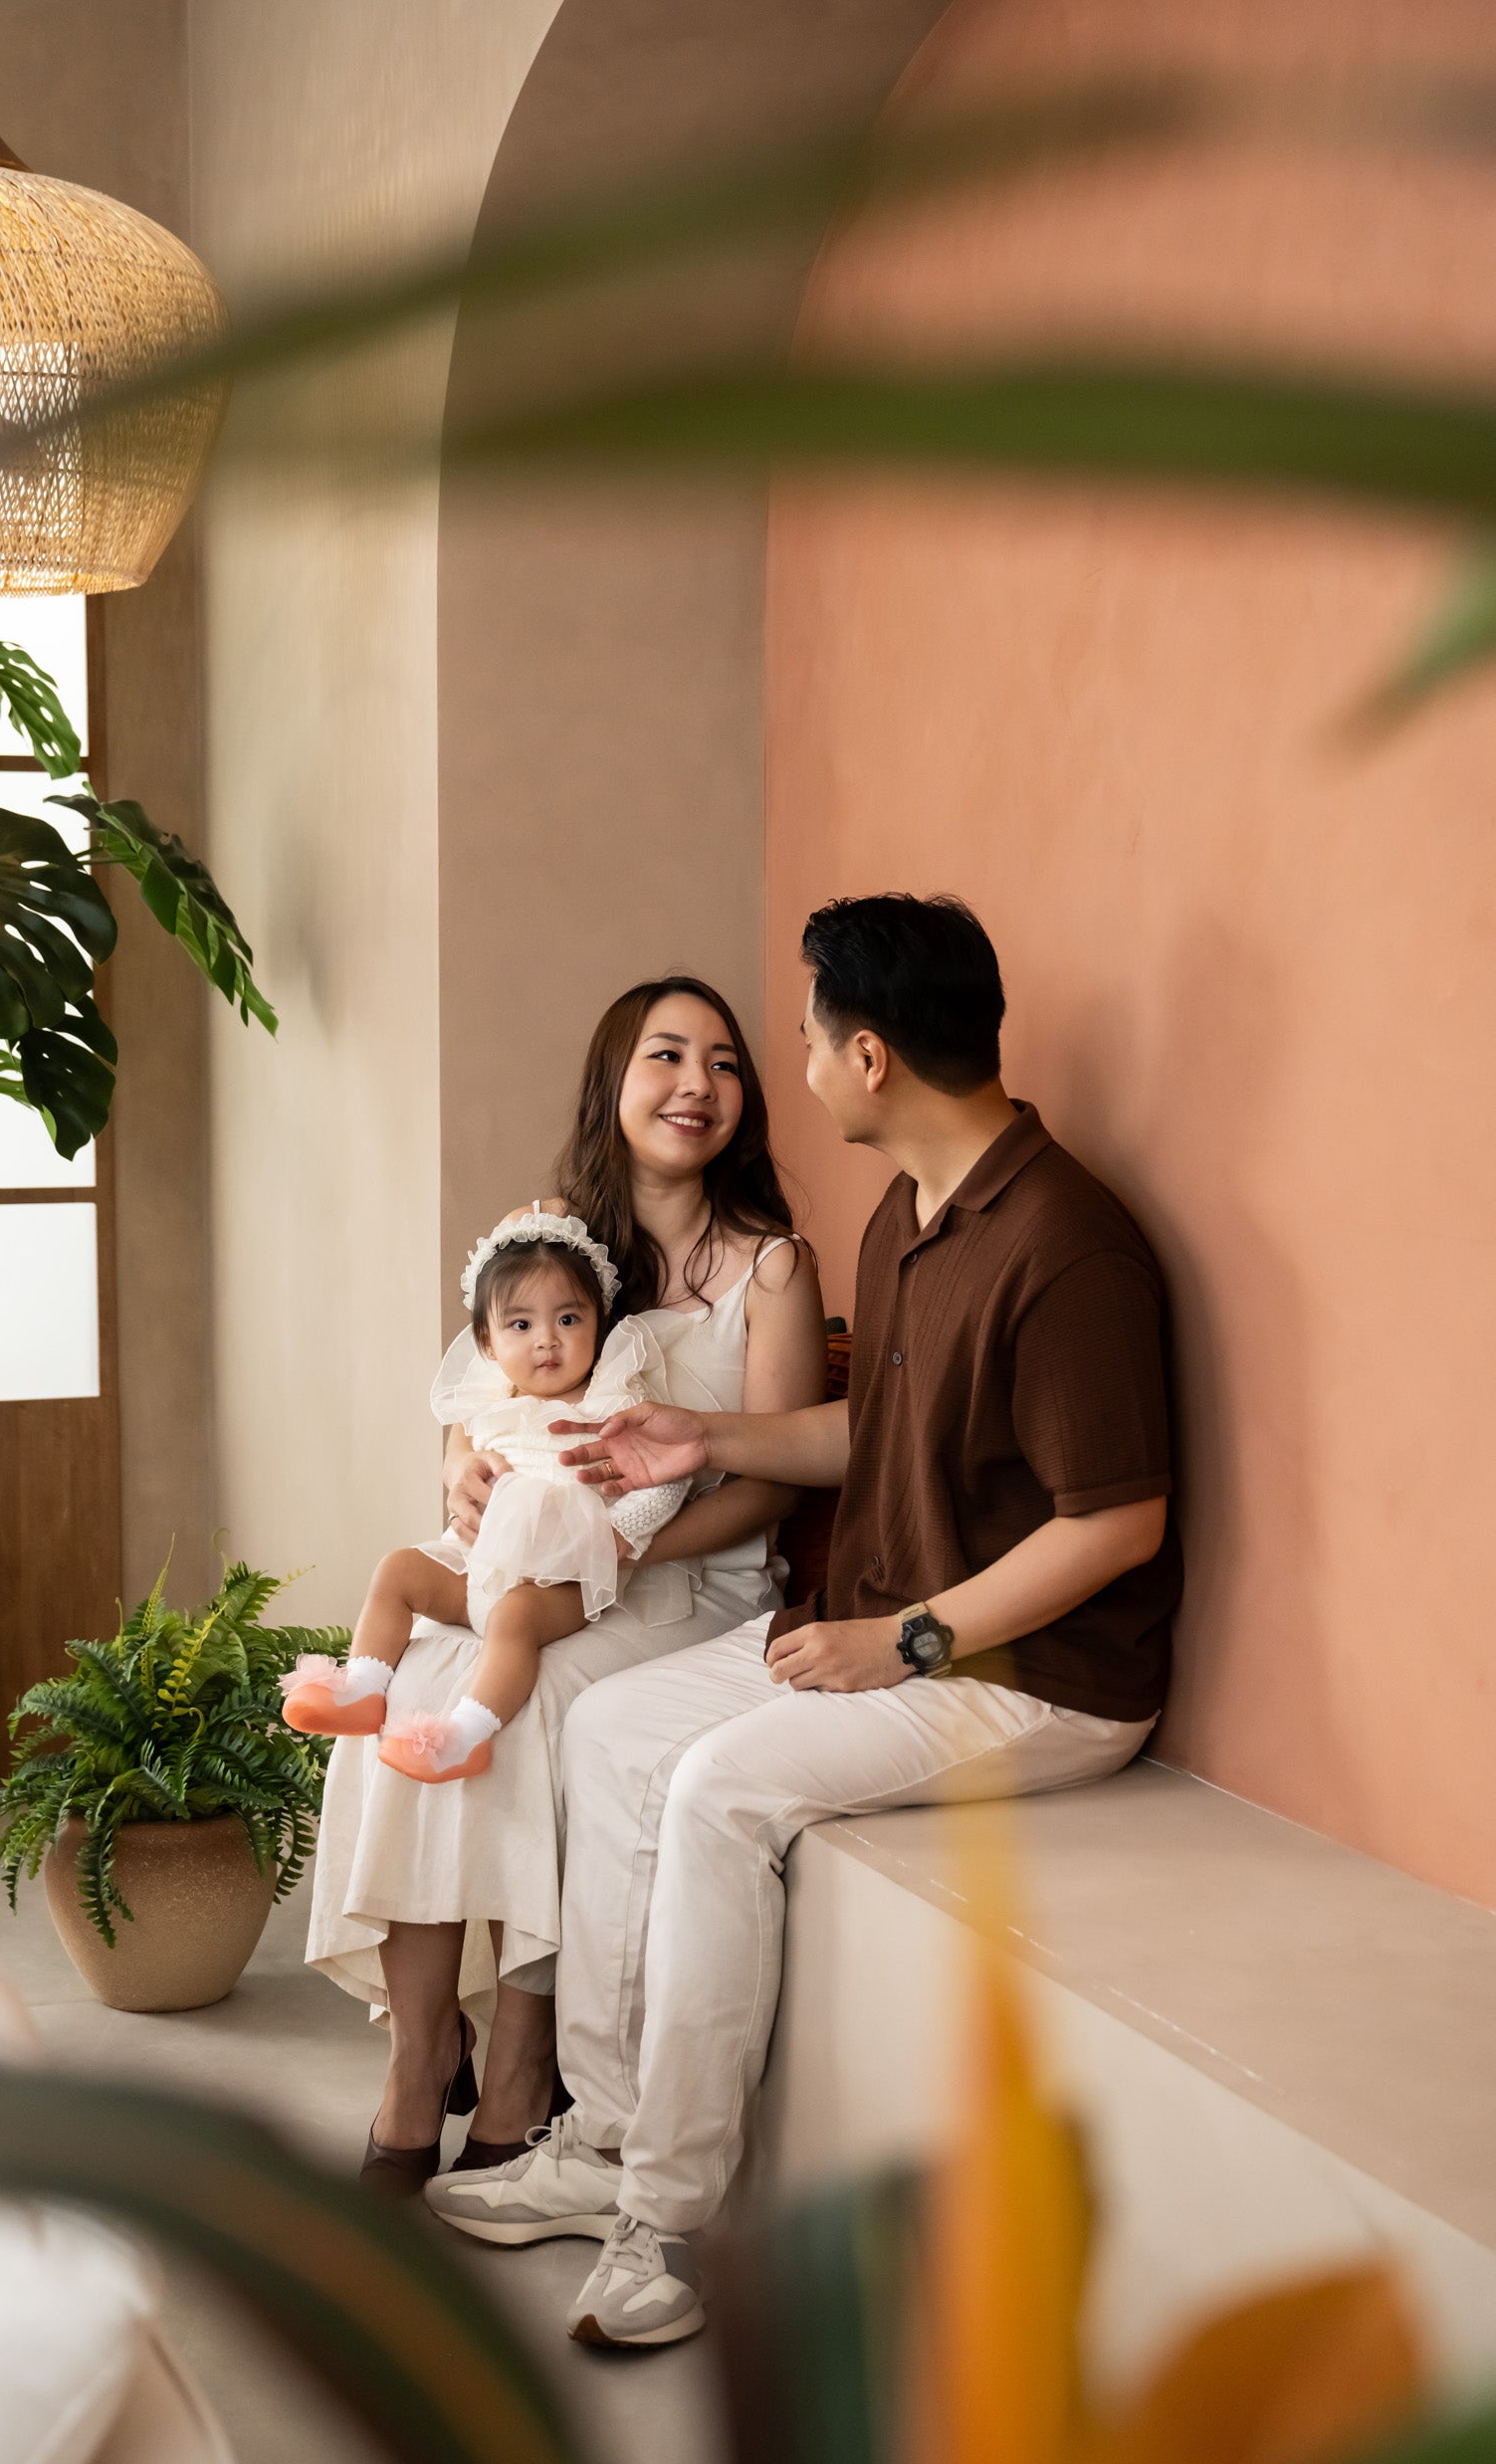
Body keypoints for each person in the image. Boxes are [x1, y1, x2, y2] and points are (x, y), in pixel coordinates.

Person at [425, 893, 1183, 2355]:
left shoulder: (1067, 1246)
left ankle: (668, 2224)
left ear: (871, 1056)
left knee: (717, 1789)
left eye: (809, 1037)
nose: (799, 1062)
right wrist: (698, 1438)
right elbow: (869, 1434)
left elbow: (1116, 1525)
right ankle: (604, 2137)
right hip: (891, 1617)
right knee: (610, 1726)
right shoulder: (910, 1214)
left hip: (1035, 1676)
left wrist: (900, 1643)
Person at [305, 977, 827, 2191]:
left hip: (686, 1583)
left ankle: (524, 2059)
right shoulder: (543, 1231)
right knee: (412, 1683)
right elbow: (476, 1394)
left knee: (532, 1704)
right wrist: (459, 1470)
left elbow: (774, 1481)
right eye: (666, 1055)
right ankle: (423, 2051)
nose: (696, 1084)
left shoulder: (773, 1267)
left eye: (724, 1062)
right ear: (613, 1081)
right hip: (528, 1564)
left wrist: (626, 1549)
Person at [281, 1215, 689, 1782]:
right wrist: (467, 1478)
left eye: (569, 1319)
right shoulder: (488, 1404)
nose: (546, 1339)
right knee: (397, 1569)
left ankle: (465, 1736)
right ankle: (363, 1689)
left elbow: (668, 1476)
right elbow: (464, 1472)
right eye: (521, 1324)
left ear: (598, 1325)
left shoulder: (612, 1401)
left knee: (514, 1619)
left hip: (559, 1579)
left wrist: (621, 1533)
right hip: (475, 1565)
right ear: (487, 1342)